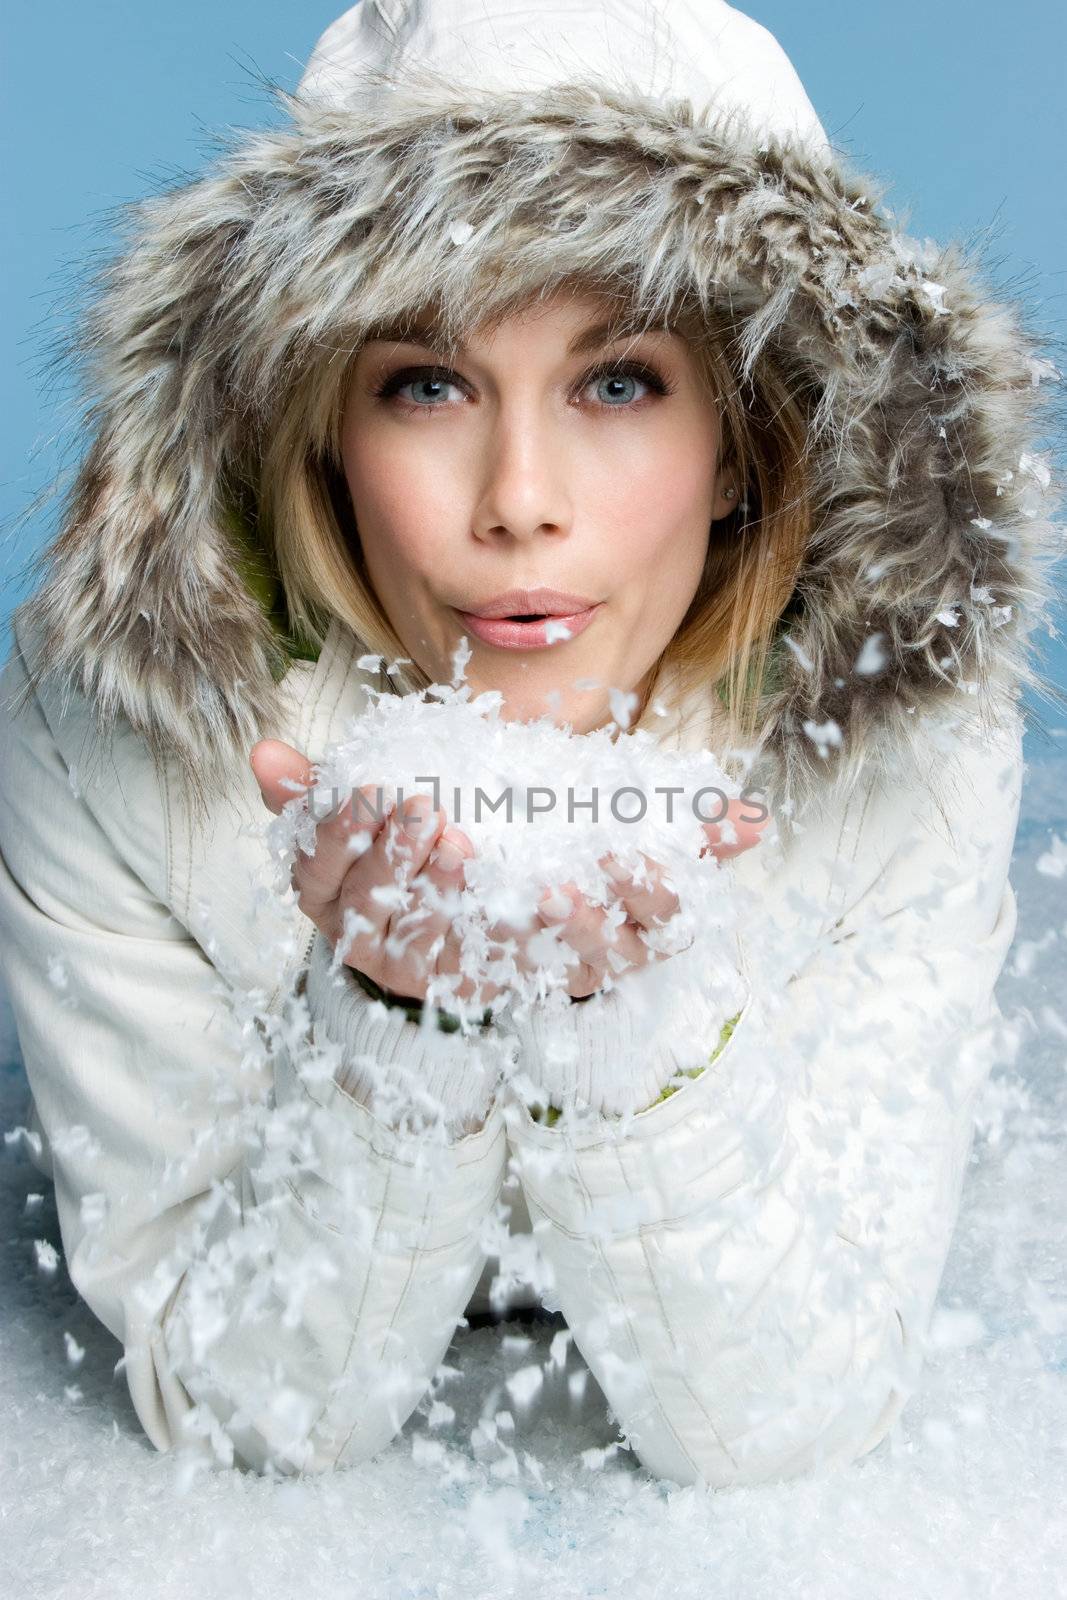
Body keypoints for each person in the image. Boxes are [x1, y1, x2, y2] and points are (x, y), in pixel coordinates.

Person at [0, 0, 1062, 1486]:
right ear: (318, 428)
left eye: (618, 382)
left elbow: (779, 1431)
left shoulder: (904, 756)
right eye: (426, 386)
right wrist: (398, 1020)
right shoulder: (112, 739)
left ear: (748, 439)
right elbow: (242, 1413)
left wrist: (627, 1028)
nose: (519, 502)